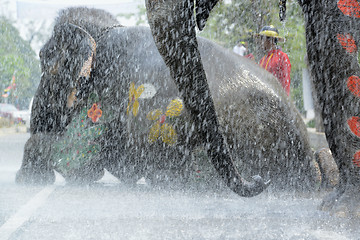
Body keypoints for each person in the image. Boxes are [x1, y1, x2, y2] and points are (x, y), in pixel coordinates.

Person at [257, 25, 291, 96]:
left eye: (262, 39)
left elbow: (285, 82)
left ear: (270, 40)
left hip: (277, 98)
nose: (260, 42)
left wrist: (285, 100)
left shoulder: (282, 57)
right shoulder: (262, 60)